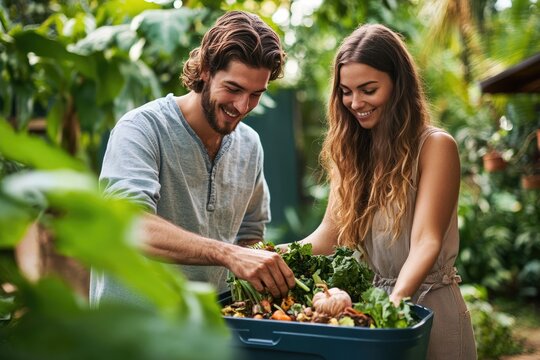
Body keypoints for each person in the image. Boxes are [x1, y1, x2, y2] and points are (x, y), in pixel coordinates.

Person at [294, 24, 477, 359]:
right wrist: (271, 256)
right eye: (346, 92)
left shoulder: (435, 146)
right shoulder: (351, 154)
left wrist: (393, 307)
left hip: (428, 311)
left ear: (397, 84)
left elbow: (426, 241)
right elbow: (328, 236)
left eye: (368, 89)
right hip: (379, 317)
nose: (355, 102)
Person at [90, 10, 296, 307]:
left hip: (200, 334)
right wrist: (226, 253)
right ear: (205, 71)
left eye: (255, 94)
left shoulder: (250, 145)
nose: (242, 106)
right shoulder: (141, 129)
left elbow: (250, 238)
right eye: (233, 88)